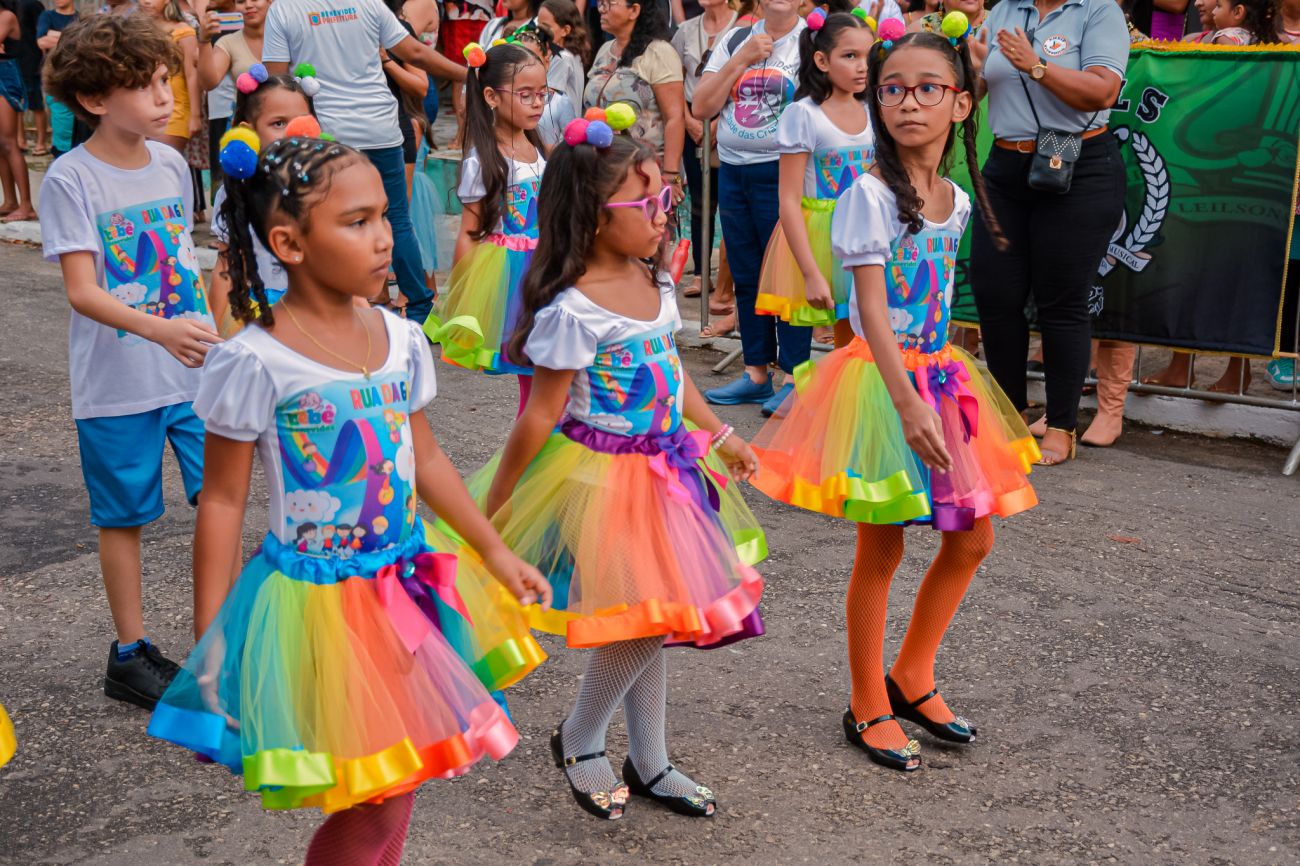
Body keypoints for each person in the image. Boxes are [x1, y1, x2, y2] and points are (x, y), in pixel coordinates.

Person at [144, 132, 551, 862]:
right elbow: (223, 501)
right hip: (319, 607)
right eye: (356, 222)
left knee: (400, 771)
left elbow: (427, 457)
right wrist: (214, 638)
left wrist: (493, 551)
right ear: (289, 243)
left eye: (383, 216)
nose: (383, 237)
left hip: (406, 584)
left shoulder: (400, 338)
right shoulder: (255, 360)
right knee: (378, 792)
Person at [752, 23, 1037, 772]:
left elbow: (935, 297)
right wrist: (906, 400)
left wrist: (937, 382)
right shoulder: (869, 195)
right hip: (884, 384)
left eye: (927, 89)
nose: (908, 103)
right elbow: (869, 311)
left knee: (972, 537)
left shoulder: (956, 199)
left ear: (962, 104)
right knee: (883, 544)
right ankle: (866, 701)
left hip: (941, 376)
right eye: (892, 90)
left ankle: (912, 673)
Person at [478, 122, 765, 820]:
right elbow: (539, 416)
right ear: (593, 215)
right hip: (602, 482)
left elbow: (671, 371)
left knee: (653, 614)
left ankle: (650, 758)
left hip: (668, 472)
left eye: (665, 197)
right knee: (643, 619)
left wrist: (720, 432)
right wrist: (497, 505)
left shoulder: (652, 277)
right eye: (648, 203)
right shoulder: (573, 306)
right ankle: (581, 738)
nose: (664, 213)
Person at [41, 15, 222, 709]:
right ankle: (131, 652)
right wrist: (160, 331)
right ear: (94, 100)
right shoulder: (70, 178)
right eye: (145, 86)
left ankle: (224, 642)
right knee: (123, 517)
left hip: (192, 373)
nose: (164, 97)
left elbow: (183, 262)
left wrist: (212, 335)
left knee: (222, 500)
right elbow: (83, 291)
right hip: (118, 386)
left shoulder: (172, 164)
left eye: (164, 82)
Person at [968, 0, 1129, 465]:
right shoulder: (1004, 10)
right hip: (1005, 166)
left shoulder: (1098, 11)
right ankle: (1011, 416)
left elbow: (1103, 91)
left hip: (1078, 166)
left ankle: (1061, 425)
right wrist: (969, 72)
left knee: (1061, 301)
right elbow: (980, 88)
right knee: (995, 294)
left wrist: (1035, 65)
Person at [262, 0, 469, 326]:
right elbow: (415, 52)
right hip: (381, 129)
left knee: (333, 221)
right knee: (397, 220)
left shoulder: (285, 9)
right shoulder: (369, 3)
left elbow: (278, 81)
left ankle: (346, 305)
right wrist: (471, 74)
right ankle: (419, 309)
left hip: (329, 136)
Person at [693, 0, 812, 416]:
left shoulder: (810, 40)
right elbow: (701, 107)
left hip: (783, 171)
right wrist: (740, 59)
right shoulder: (737, 38)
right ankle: (756, 373)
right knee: (746, 274)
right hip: (733, 170)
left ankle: (794, 378)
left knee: (787, 276)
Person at [425, 42, 546, 414]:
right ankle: (535, 433)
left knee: (552, 363)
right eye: (525, 95)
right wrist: (462, 297)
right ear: (492, 96)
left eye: (543, 93)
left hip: (548, 266)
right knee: (533, 367)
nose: (537, 103)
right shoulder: (483, 160)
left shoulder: (539, 147)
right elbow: (469, 230)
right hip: (513, 275)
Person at [755, 8, 874, 348]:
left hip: (870, 230)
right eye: (850, 56)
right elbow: (789, 200)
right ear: (822, 60)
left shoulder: (874, 109)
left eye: (868, 56)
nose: (863, 66)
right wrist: (810, 273)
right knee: (849, 340)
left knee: (867, 334)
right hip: (826, 240)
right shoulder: (804, 114)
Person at [208, 72, 313, 335]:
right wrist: (212, 334)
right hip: (257, 313)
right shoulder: (234, 190)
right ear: (249, 131)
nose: (291, 133)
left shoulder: (323, 186)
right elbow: (226, 265)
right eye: (278, 123)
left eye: (300, 121)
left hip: (313, 311)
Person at [672, 0, 736, 305]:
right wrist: (689, 121)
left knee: (730, 201)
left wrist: (717, 124)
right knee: (699, 200)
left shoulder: (741, 26)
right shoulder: (685, 30)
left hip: (730, 119)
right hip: (692, 120)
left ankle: (729, 279)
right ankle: (701, 272)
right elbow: (674, 80)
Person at [585, 0, 685, 189]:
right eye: (600, 3)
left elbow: (674, 118)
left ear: (634, 10)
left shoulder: (659, 52)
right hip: (602, 168)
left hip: (645, 171)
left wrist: (671, 175)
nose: (601, 9)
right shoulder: (605, 50)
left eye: (609, 3)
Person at [199, 0, 268, 198]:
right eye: (240, 1)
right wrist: (203, 41)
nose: (248, 5)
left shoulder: (287, 35)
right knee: (246, 195)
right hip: (246, 130)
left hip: (283, 127)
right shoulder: (228, 42)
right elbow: (209, 81)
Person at [137, 0, 203, 156]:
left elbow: (192, 75)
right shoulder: (139, 32)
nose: (146, 1)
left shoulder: (183, 31)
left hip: (175, 111)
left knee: (164, 161)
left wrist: (195, 116)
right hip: (145, 109)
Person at [0, 0, 34, 222]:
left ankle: (26, 205)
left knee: (9, 143)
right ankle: (10, 201)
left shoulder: (6, 16)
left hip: (6, 78)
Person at [36, 0, 78, 160]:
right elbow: (42, 42)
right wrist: (74, 37)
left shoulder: (80, 18)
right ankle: (60, 161)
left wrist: (54, 35)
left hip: (77, 76)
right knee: (61, 124)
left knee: (78, 125)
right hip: (55, 77)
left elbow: (88, 43)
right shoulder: (47, 16)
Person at [539, 0, 590, 110]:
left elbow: (547, 101)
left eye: (546, 27)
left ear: (565, 30)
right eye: (539, 26)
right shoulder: (571, 54)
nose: (539, 31)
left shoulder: (562, 57)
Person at [13, 0, 43, 155]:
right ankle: (20, 141)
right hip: (12, 61)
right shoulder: (10, 4)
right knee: (16, 103)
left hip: (31, 60)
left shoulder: (32, 4)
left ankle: (41, 142)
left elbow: (41, 33)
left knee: (36, 103)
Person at [1208, 0, 1276, 43]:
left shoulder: (1224, 38)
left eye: (1218, 6)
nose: (1213, 12)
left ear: (1238, 12)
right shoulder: (1260, 38)